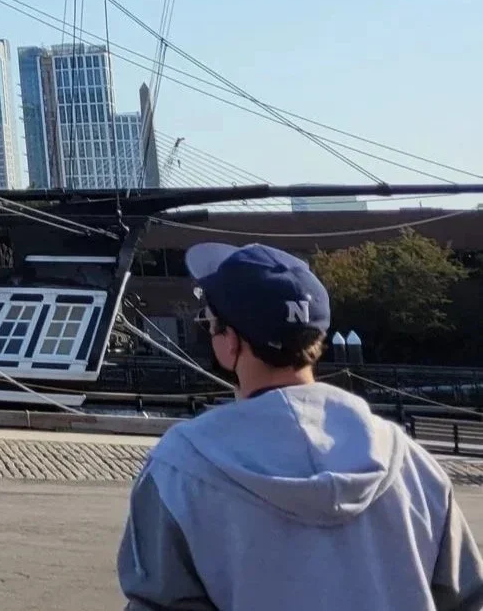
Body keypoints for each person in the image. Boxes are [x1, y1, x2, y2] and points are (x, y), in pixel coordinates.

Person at [119, 242, 483, 610]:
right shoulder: (413, 464)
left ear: (230, 343)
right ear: (318, 341)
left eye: (210, 323)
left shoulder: (179, 468)